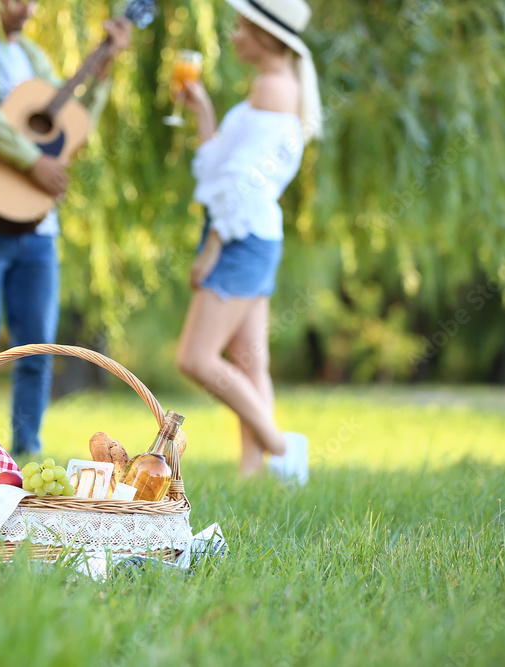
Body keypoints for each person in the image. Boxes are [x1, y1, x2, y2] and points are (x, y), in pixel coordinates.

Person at [0, 2, 132, 457]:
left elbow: (72, 123)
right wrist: (31, 162)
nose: (28, 7)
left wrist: (102, 74)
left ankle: (26, 453)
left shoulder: (36, 58)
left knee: (36, 350)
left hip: (39, 229)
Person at [175, 0, 322, 484]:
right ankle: (252, 474)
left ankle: (281, 448)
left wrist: (214, 244)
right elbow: (225, 168)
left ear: (265, 34)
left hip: (238, 237)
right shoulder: (275, 88)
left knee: (195, 359)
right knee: (249, 360)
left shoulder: (272, 88)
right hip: (252, 234)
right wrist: (204, 115)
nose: (234, 35)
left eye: (241, 26)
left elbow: (246, 180)